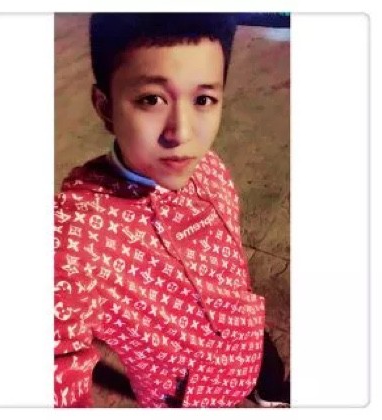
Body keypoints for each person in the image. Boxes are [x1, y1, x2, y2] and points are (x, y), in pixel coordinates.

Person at [54, 12, 268, 408]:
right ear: (104, 107)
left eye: (203, 100)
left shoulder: (209, 167)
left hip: (249, 334)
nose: (182, 133)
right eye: (151, 100)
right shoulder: (75, 238)